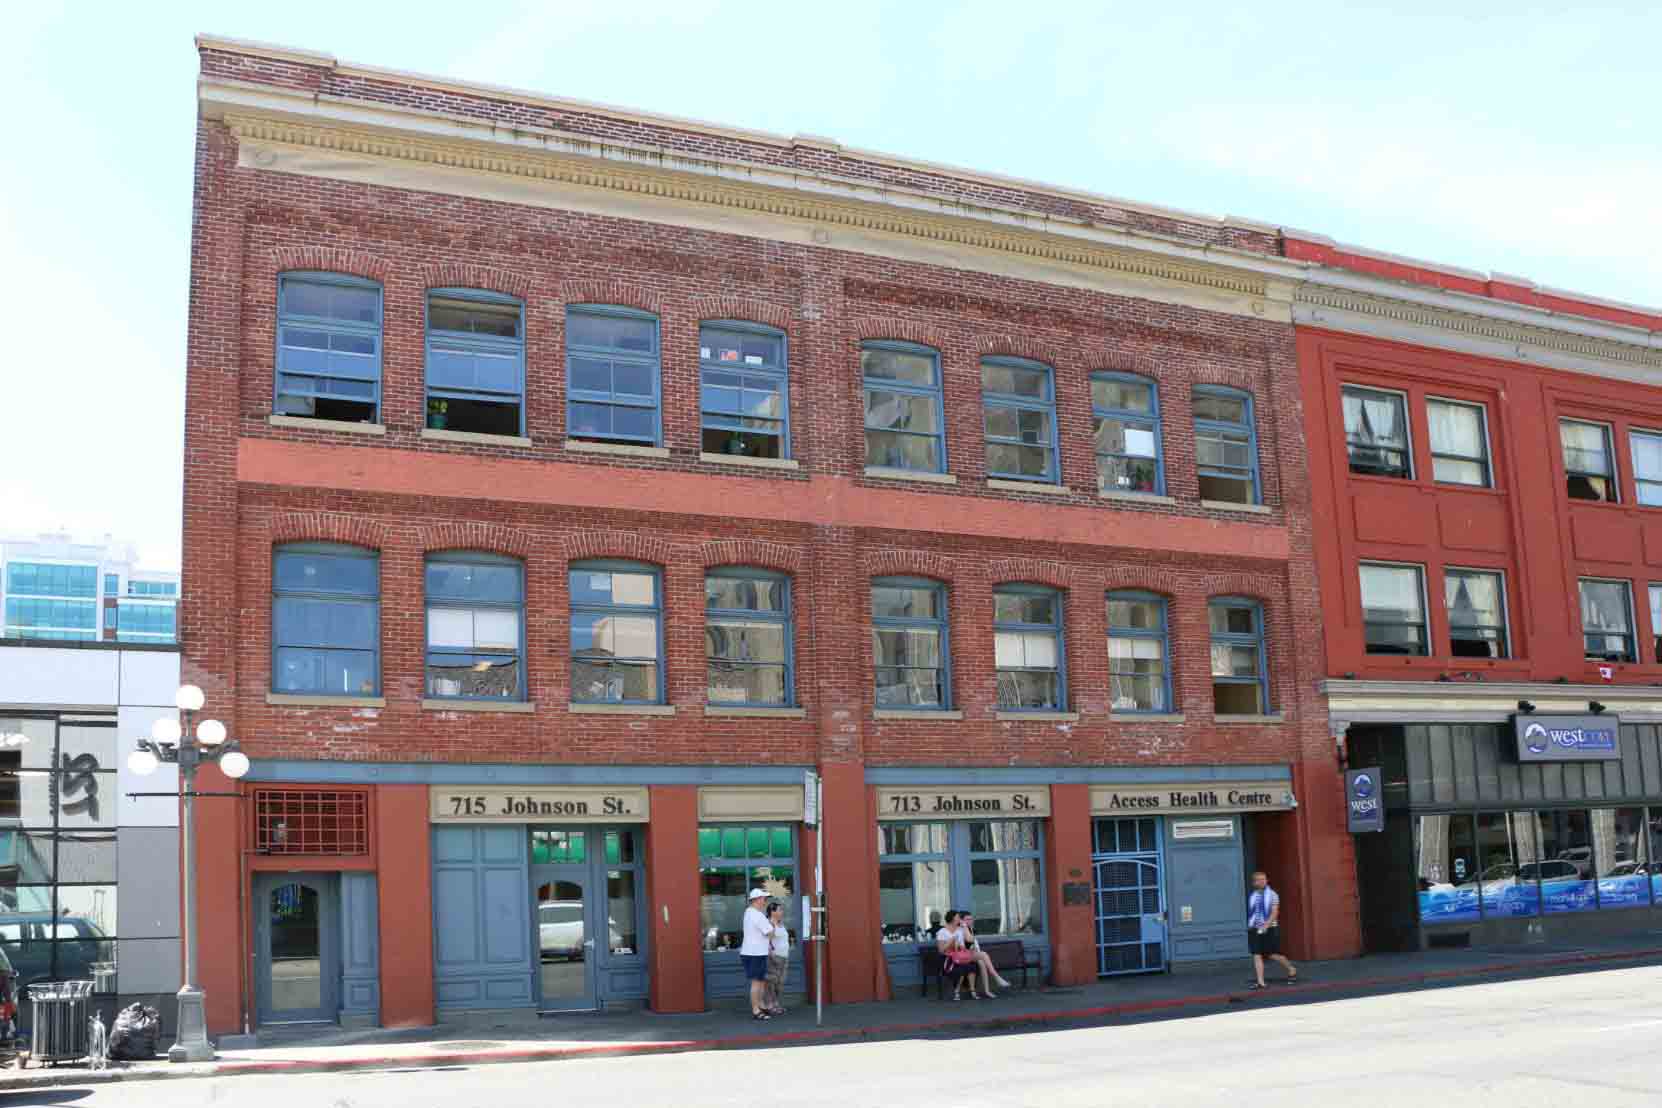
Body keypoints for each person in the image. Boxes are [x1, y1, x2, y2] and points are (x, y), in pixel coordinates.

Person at [1246, 870, 1298, 989]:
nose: (1262, 881)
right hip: (1255, 928)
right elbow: (1252, 912)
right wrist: (1251, 925)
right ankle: (1260, 982)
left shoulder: (1273, 895)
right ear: (1254, 883)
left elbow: (1275, 912)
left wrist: (1266, 925)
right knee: (1256, 954)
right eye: (1259, 880)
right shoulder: (1253, 895)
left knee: (1273, 954)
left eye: (1264, 879)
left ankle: (1291, 968)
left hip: (1269, 928)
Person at [740, 888, 776, 1019]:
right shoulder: (757, 915)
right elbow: (770, 933)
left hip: (751, 952)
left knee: (759, 982)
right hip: (756, 953)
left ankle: (760, 1006)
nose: (765, 901)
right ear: (757, 900)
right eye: (764, 899)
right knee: (757, 982)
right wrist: (772, 926)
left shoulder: (748, 912)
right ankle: (756, 1010)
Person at [958, 910, 1012, 996]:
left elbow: (973, 944)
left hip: (970, 955)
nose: (970, 921)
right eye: (967, 919)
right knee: (984, 954)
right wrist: (964, 926)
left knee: (982, 962)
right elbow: (969, 940)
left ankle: (987, 991)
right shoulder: (960, 929)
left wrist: (974, 949)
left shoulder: (969, 928)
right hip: (960, 957)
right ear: (961, 920)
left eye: (971, 919)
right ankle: (997, 977)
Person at [935, 910, 979, 1000]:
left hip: (959, 956)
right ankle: (957, 992)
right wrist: (951, 941)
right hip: (947, 959)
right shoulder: (942, 932)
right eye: (958, 917)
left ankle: (972, 991)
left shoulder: (960, 930)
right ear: (952, 919)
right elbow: (941, 950)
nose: (959, 919)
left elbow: (970, 940)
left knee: (972, 966)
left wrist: (965, 927)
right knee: (960, 969)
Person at [763, 900, 790, 1015]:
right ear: (773, 912)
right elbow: (766, 941)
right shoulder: (769, 924)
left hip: (784, 957)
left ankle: (776, 1003)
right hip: (774, 958)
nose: (782, 911)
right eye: (779, 910)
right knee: (771, 982)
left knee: (780, 983)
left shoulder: (781, 924)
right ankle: (770, 1005)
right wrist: (771, 955)